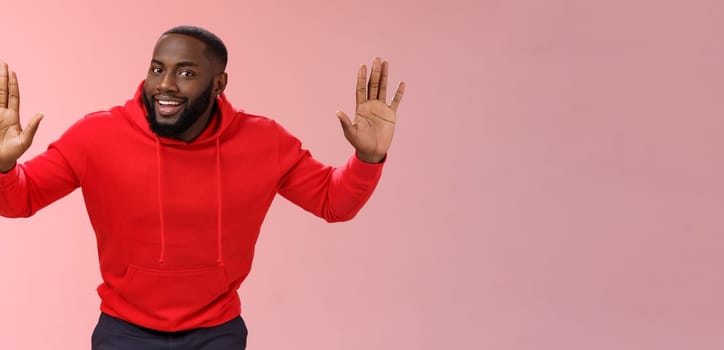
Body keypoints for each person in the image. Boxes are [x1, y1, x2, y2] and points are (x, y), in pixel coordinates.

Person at [0, 25, 404, 349]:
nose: (166, 85)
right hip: (123, 332)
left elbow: (333, 202)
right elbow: (22, 198)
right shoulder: (95, 135)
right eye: (158, 68)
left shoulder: (265, 141)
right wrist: (2, 165)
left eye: (186, 73)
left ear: (219, 83)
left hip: (217, 332)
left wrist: (367, 160)